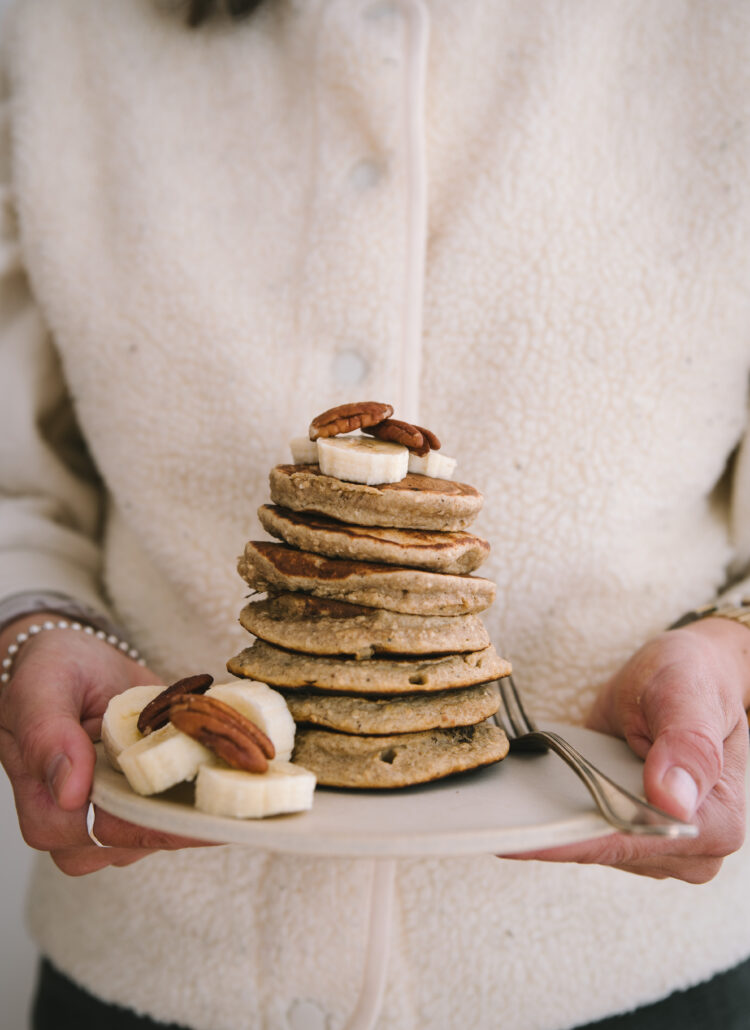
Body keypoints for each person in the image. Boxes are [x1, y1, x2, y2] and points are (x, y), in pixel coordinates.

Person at [1, 0, 750, 1027]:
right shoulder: (60, 26)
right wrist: (35, 625)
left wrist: (734, 650)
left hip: (641, 977)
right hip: (146, 965)